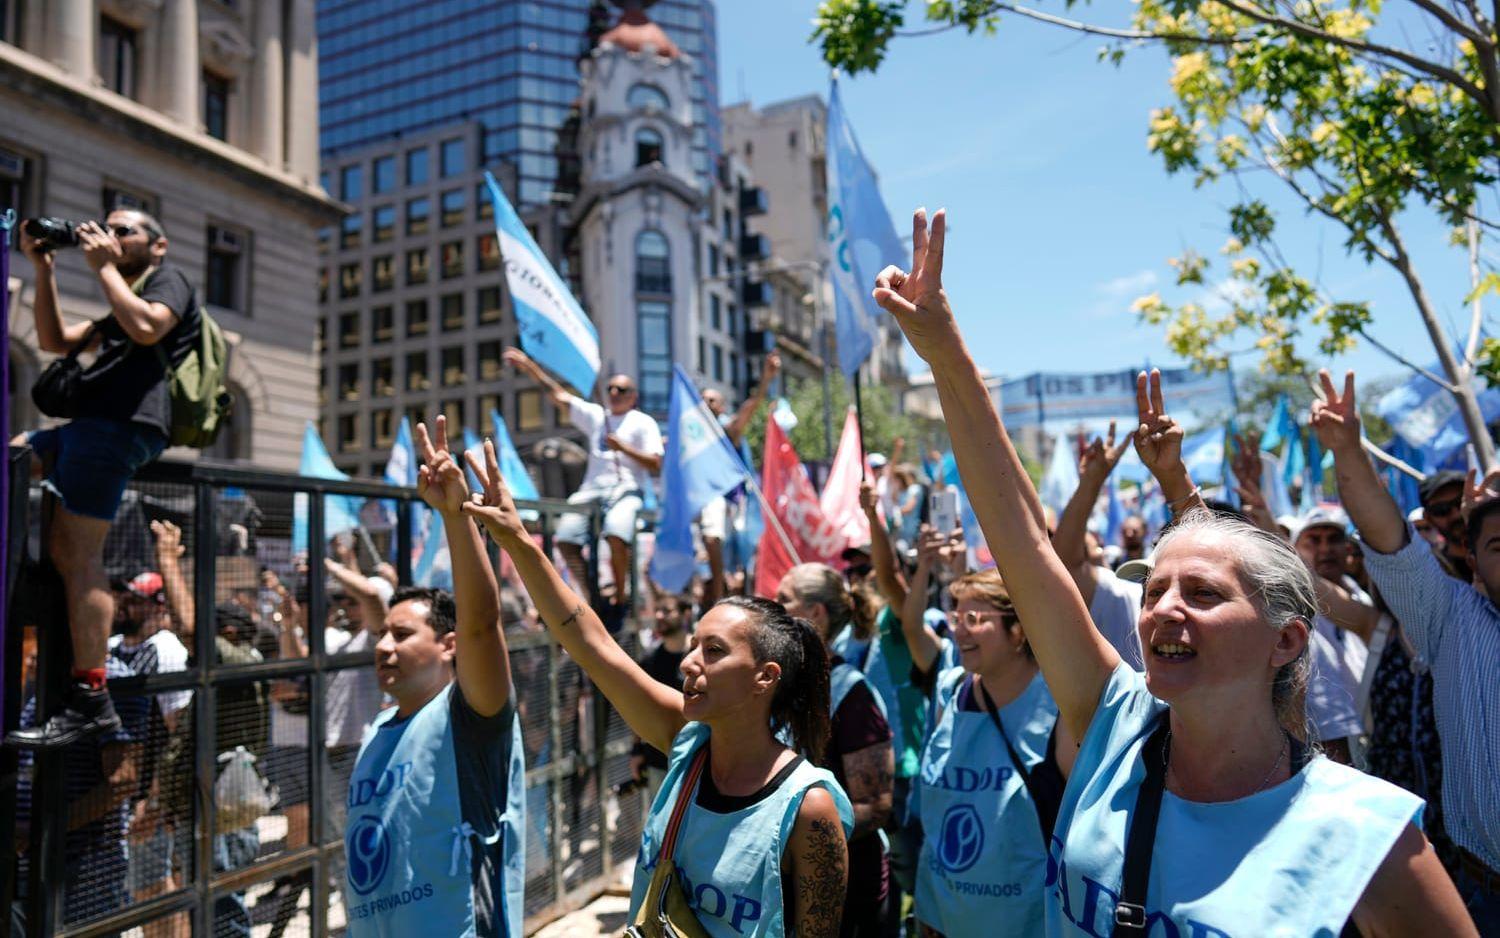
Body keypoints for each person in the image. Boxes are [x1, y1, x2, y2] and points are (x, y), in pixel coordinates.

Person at [872, 207, 1472, 934]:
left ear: (1287, 639)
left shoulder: (1366, 837)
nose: (1161, 609)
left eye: (1204, 592)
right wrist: (945, 353)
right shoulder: (1110, 724)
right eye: (1154, 589)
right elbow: (1023, 544)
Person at [457, 433, 853, 938]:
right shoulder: (684, 742)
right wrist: (515, 538)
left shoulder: (808, 807)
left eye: (714, 651)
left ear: (765, 677)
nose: (688, 663)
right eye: (693, 645)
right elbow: (588, 642)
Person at [1314, 369, 1500, 931]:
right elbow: (1391, 540)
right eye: (1498, 544)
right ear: (1473, 558)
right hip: (1483, 894)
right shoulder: (1452, 621)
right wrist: (1348, 450)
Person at [11, 210, 203, 748]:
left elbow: (148, 326)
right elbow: (54, 339)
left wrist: (102, 267)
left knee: (78, 555)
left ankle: (91, 697)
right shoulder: (120, 295)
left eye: (125, 231)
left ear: (157, 245)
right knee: (14, 458)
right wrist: (42, 265)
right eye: (107, 228)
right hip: (85, 426)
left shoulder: (169, 281)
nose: (111, 236)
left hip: (120, 426)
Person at [343, 417, 524, 937]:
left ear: (448, 645)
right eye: (382, 634)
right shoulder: (377, 731)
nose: (383, 646)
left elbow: (482, 626)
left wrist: (456, 516)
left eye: (401, 635)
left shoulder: (471, 716)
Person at [911, 570, 1076, 938]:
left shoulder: (1059, 708)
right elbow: (937, 818)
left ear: (1018, 629)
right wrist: (929, 910)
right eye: (956, 619)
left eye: (974, 619)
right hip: (945, 918)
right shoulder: (951, 692)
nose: (958, 631)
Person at [776, 563, 895, 937]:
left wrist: (797, 839)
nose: (772, 608)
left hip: (849, 897)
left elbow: (876, 805)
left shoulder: (852, 695)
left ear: (814, 613)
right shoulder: (779, 687)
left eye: (783, 600)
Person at [504, 347, 662, 617]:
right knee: (565, 539)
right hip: (591, 491)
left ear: (633, 397)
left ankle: (621, 596)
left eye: (621, 390)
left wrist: (623, 448)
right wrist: (529, 366)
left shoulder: (643, 422)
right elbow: (558, 395)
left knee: (616, 533)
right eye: (611, 388)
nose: (613, 393)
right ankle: (593, 593)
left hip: (625, 490)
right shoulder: (597, 416)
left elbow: (656, 464)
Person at [701, 350, 781, 604]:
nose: (706, 404)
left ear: (722, 407)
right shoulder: (691, 440)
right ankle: (716, 592)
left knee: (723, 550)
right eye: (702, 400)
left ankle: (720, 596)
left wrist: (765, 381)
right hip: (697, 506)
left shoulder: (728, 432)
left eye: (712, 400)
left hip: (728, 504)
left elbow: (750, 407)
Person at [630, 592, 693, 803]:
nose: (659, 615)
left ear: (686, 614)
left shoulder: (698, 657)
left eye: (666, 610)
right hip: (658, 760)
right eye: (657, 610)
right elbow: (639, 707)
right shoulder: (649, 661)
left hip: (695, 757)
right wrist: (636, 750)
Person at [1417, 470, 1472, 581]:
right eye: (1441, 510)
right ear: (1428, 518)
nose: (1457, 514)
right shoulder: (1435, 575)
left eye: (1462, 501)